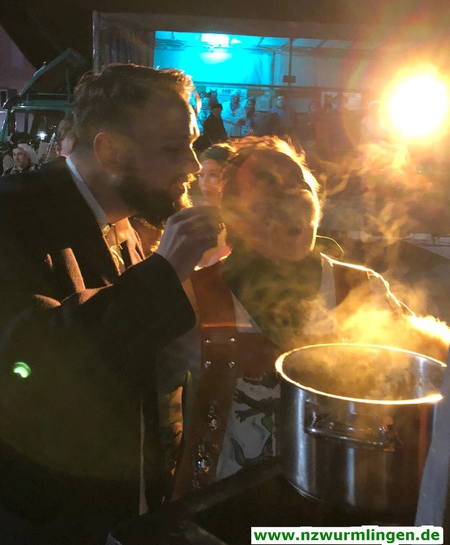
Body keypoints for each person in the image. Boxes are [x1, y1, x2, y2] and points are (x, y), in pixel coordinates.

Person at [0, 63, 223, 545]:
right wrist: (164, 273)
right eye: (173, 148)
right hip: (45, 520)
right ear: (111, 152)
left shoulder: (125, 223)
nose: (192, 166)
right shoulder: (13, 214)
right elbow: (31, 359)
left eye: (191, 144)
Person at [157, 136, 450, 500]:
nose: (291, 198)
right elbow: (156, 405)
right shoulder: (196, 295)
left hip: (337, 497)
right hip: (220, 504)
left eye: (299, 185)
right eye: (269, 187)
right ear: (234, 214)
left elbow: (428, 364)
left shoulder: (359, 288)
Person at [196, 144, 235, 267]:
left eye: (213, 175)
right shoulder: (196, 218)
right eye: (201, 175)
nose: (204, 182)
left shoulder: (244, 221)